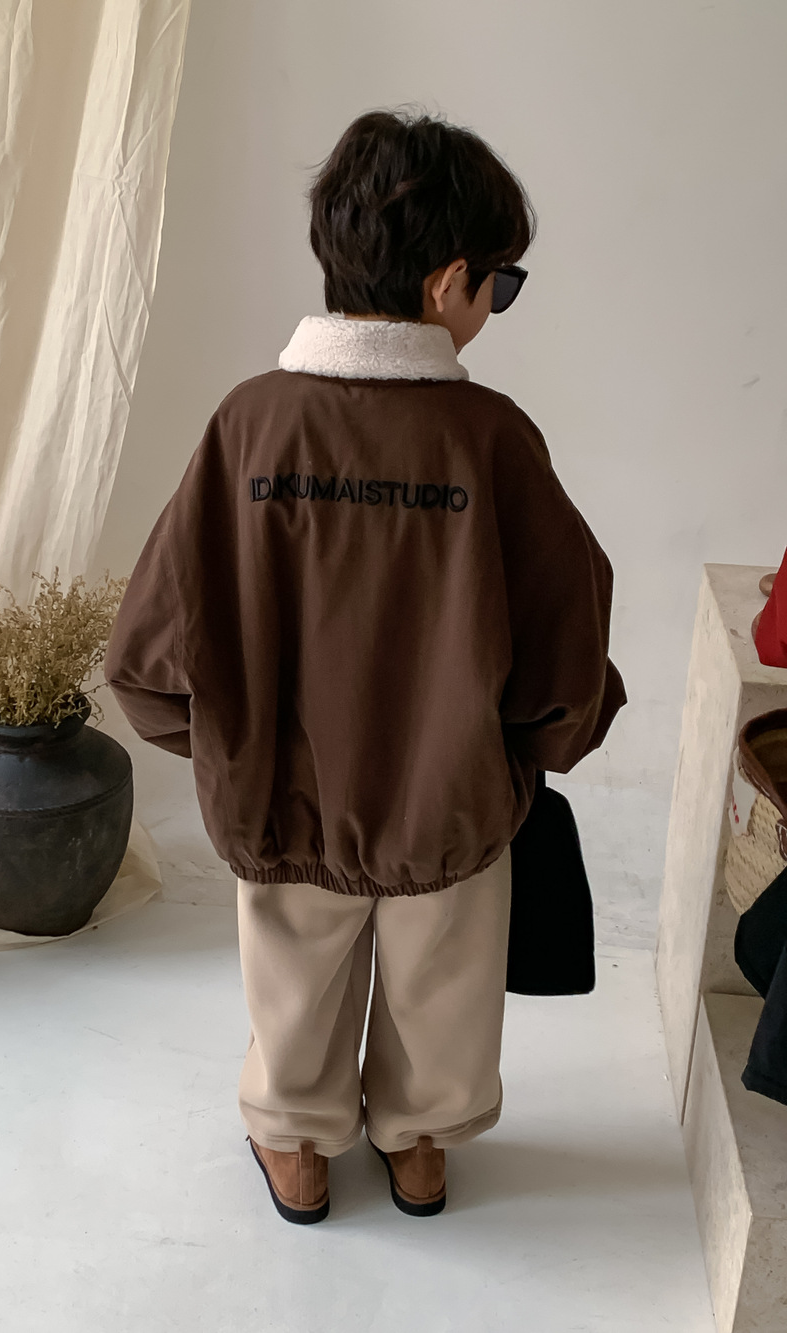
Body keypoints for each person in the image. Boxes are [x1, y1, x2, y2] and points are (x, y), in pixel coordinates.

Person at [106, 109, 625, 1224]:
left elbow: (152, 643)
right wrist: (534, 750)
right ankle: (419, 1141)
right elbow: (566, 629)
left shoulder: (250, 425)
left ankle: (295, 1144)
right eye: (500, 282)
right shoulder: (490, 440)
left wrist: (232, 742)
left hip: (283, 798)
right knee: (444, 982)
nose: (496, 305)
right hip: (449, 802)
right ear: (447, 283)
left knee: (292, 978)